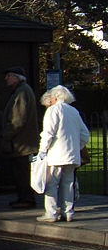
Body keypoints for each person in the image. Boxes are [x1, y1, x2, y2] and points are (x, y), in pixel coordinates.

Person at [35, 85, 89, 222]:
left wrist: (42, 150)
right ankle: (68, 212)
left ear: (55, 96)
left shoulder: (53, 110)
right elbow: (85, 134)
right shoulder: (74, 111)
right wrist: (77, 146)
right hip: (72, 155)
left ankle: (51, 213)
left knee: (51, 184)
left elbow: (49, 133)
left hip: (56, 154)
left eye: (51, 96)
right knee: (68, 184)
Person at [0, 66, 39, 208]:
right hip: (23, 141)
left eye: (9, 75)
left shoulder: (21, 92)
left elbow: (18, 119)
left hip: (21, 143)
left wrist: (7, 135)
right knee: (20, 171)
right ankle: (24, 197)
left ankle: (26, 199)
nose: (6, 78)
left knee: (21, 172)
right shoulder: (22, 91)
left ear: (17, 77)